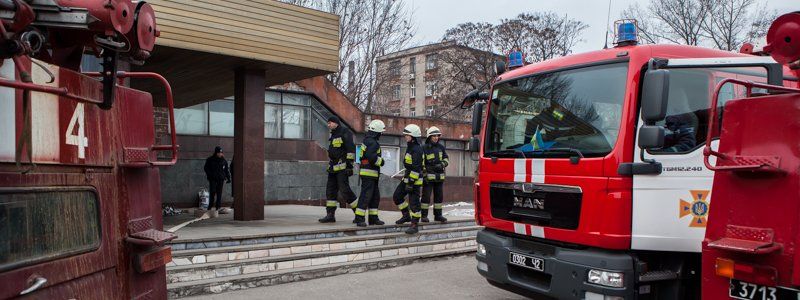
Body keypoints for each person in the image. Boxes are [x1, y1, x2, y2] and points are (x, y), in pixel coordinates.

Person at [319, 116, 358, 223]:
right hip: (332, 168)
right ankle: (330, 215)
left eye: (330, 123)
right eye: (328, 123)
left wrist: (349, 166)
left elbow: (350, 149)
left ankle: (359, 214)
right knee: (330, 191)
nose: (328, 125)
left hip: (342, 168)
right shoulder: (333, 134)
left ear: (336, 123)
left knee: (345, 191)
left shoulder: (345, 132)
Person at [354, 119, 387, 227]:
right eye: (381, 132)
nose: (381, 135)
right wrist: (381, 161)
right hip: (370, 174)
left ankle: (373, 218)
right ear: (377, 132)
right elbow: (372, 158)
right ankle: (359, 218)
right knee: (366, 196)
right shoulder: (373, 143)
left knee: (374, 196)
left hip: (368, 173)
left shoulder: (367, 140)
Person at [393, 124, 424, 234]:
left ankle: (414, 225)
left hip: (414, 181)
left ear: (413, 136)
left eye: (407, 135)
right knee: (397, 196)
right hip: (408, 178)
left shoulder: (417, 150)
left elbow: (417, 168)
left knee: (414, 203)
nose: (405, 136)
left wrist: (411, 182)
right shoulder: (410, 147)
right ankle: (406, 216)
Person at [421, 126, 448, 223]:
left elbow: (446, 159)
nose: (436, 138)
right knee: (426, 197)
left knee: (439, 197)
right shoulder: (424, 148)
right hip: (428, 178)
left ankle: (438, 215)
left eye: (437, 136)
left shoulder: (441, 147)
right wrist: (424, 176)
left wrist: (442, 164)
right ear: (429, 137)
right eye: (434, 136)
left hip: (439, 177)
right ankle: (424, 216)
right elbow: (422, 163)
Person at [203, 146, 231, 218]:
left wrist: (228, 178)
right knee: (212, 191)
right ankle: (210, 206)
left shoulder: (223, 160)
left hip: (220, 179)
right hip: (212, 178)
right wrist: (210, 175)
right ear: (216, 153)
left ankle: (218, 207)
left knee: (219, 193)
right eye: (219, 153)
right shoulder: (210, 160)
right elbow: (206, 168)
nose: (220, 154)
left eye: (221, 153)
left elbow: (226, 170)